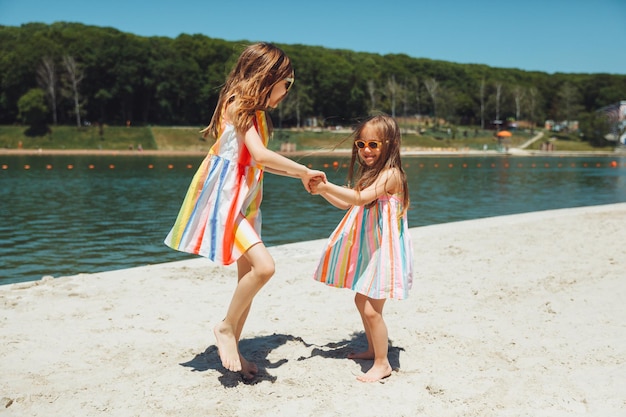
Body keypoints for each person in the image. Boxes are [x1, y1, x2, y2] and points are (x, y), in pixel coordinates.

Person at [164, 43, 326, 379]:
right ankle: (225, 328)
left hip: (247, 201)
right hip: (225, 201)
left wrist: (300, 177)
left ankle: (233, 349)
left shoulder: (258, 114)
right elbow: (261, 156)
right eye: (287, 84)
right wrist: (302, 170)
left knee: (247, 280)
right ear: (269, 77)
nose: (287, 92)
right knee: (264, 268)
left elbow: (258, 162)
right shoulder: (239, 105)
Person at [309, 114, 413, 382]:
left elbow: (360, 198)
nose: (366, 150)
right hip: (373, 248)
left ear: (389, 144)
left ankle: (383, 363)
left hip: (385, 252)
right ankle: (372, 348)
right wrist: (322, 191)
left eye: (373, 144)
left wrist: (327, 185)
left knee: (371, 309)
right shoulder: (372, 174)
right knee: (360, 300)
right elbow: (347, 204)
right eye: (361, 144)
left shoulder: (391, 175)